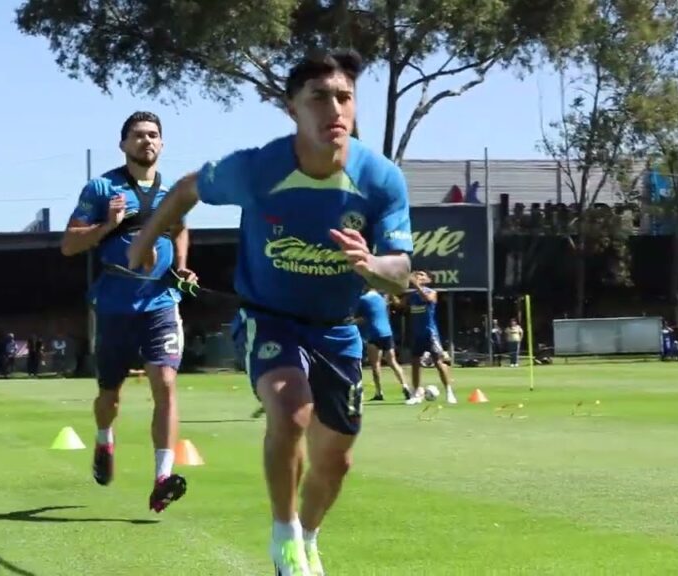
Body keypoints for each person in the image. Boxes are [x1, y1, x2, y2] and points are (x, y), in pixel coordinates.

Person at [128, 49, 413, 576]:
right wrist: (145, 241)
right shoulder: (259, 168)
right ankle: (283, 539)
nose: (335, 109)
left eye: (344, 97)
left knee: (337, 459)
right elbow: (188, 187)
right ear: (292, 109)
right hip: (269, 317)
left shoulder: (381, 179)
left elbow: (401, 270)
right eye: (320, 98)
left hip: (337, 329)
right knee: (291, 408)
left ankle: (308, 535)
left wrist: (371, 264)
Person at [60, 111, 195, 513]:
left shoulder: (174, 190)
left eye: (153, 135)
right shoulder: (102, 187)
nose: (146, 142)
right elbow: (69, 244)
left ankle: (162, 478)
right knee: (109, 395)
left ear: (163, 144)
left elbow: (181, 228)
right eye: (138, 136)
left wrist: (182, 265)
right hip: (116, 304)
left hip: (161, 302)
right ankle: (104, 439)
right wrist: (108, 225)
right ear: (123, 144)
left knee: (166, 383)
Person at [404, 271, 457, 405]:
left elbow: (428, 300)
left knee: (438, 363)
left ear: (428, 279)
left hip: (430, 333)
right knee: (415, 364)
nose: (418, 276)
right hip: (417, 334)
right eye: (416, 275)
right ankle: (416, 394)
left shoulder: (432, 292)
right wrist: (391, 293)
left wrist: (416, 286)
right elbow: (400, 305)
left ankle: (449, 392)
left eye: (422, 275)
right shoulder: (412, 296)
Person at [356, 288, 410, 401]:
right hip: (387, 332)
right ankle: (405, 385)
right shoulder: (382, 298)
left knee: (375, 365)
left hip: (374, 334)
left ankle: (379, 391)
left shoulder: (363, 299)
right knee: (393, 362)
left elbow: (360, 318)